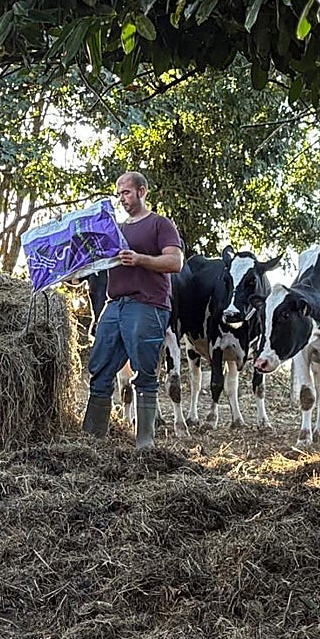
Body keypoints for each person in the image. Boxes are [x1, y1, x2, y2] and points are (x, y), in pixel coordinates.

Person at [82, 172, 183, 449]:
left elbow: (175, 262)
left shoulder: (160, 224)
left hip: (147, 305)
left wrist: (141, 260)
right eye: (119, 194)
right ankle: (91, 443)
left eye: (126, 192)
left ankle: (144, 443)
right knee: (99, 369)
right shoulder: (116, 230)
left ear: (142, 192)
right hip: (114, 305)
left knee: (145, 372)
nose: (122, 198)